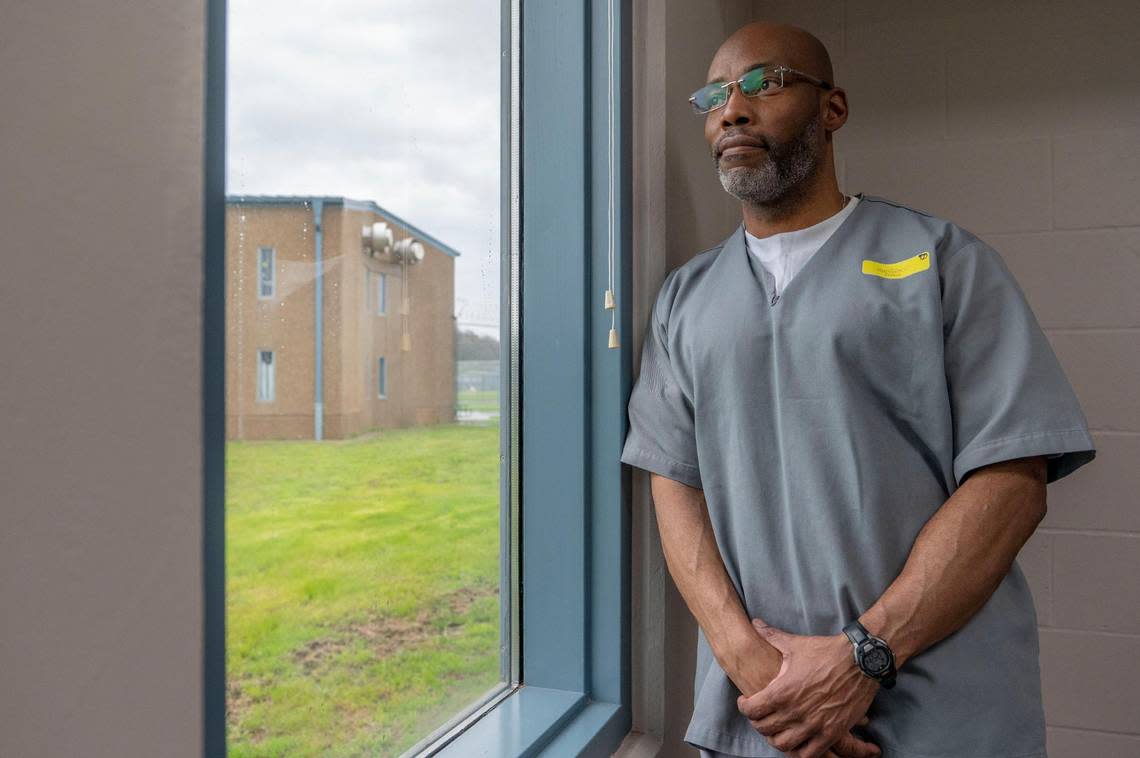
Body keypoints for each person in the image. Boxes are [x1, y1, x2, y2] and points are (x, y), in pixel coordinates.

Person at [619, 20, 1096, 758]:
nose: (732, 109)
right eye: (714, 95)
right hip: (767, 714)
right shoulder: (686, 298)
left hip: (939, 713)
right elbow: (671, 481)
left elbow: (1012, 480)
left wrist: (861, 658)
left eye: (764, 83)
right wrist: (750, 662)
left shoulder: (941, 261)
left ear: (832, 109)